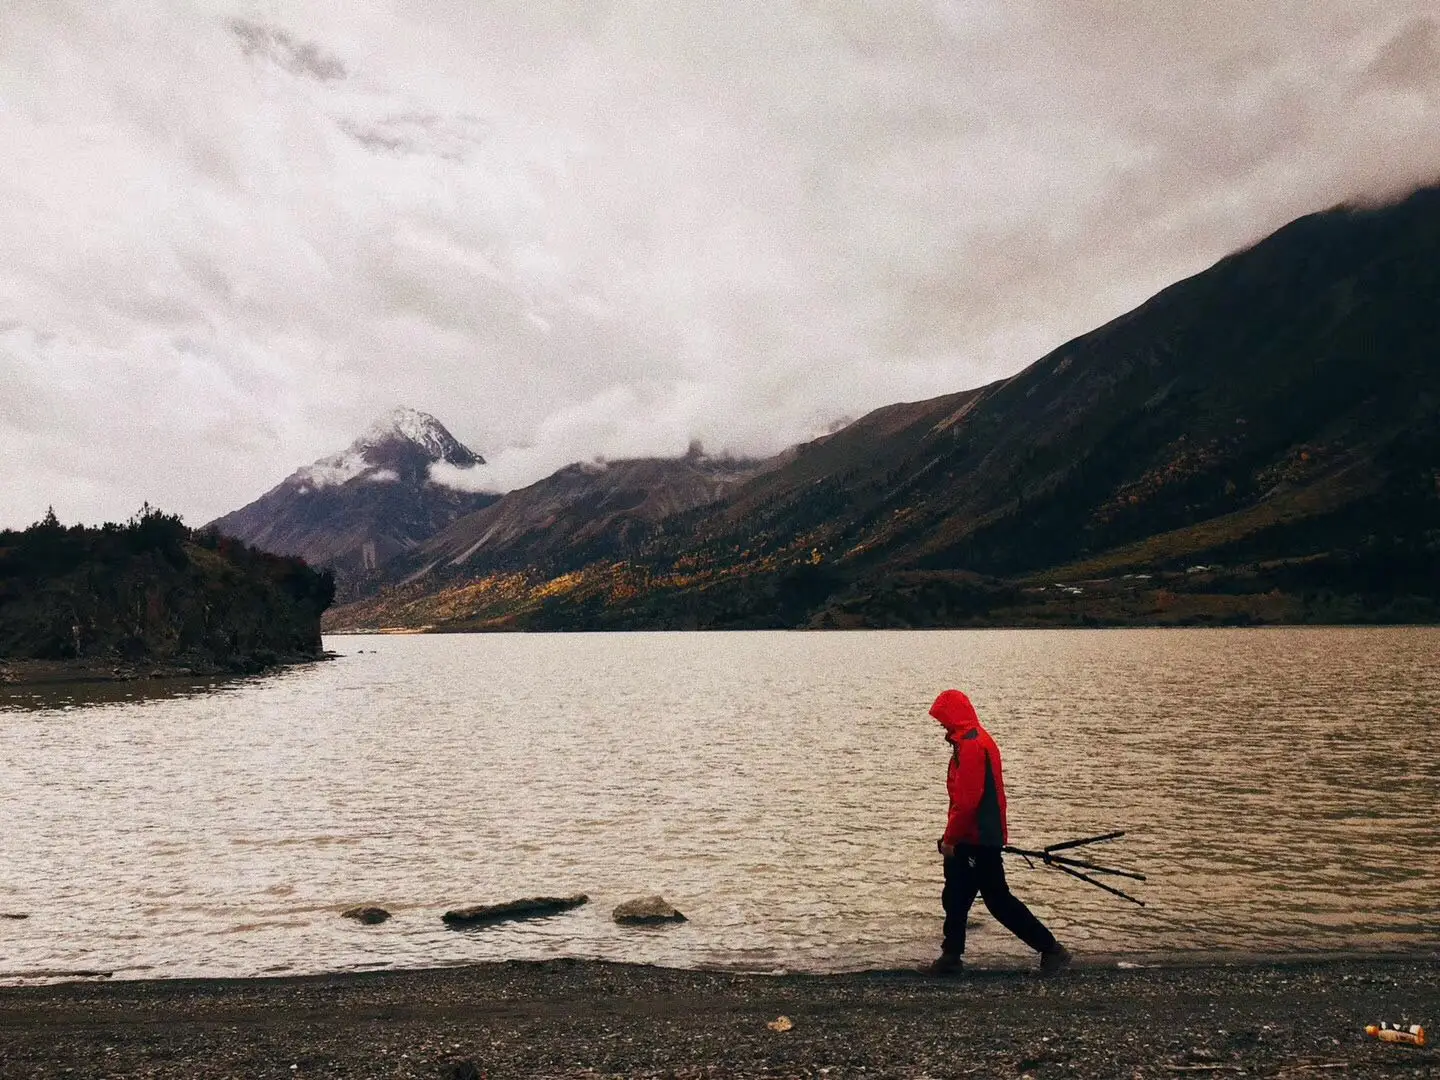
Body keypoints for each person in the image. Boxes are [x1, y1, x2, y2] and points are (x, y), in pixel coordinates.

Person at [928, 688, 1071, 976]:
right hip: (981, 837)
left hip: (976, 839)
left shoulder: (970, 746)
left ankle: (1050, 949)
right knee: (961, 896)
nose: (941, 725)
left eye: (943, 719)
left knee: (990, 899)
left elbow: (967, 801)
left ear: (953, 716)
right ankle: (951, 957)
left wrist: (951, 841)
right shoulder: (975, 741)